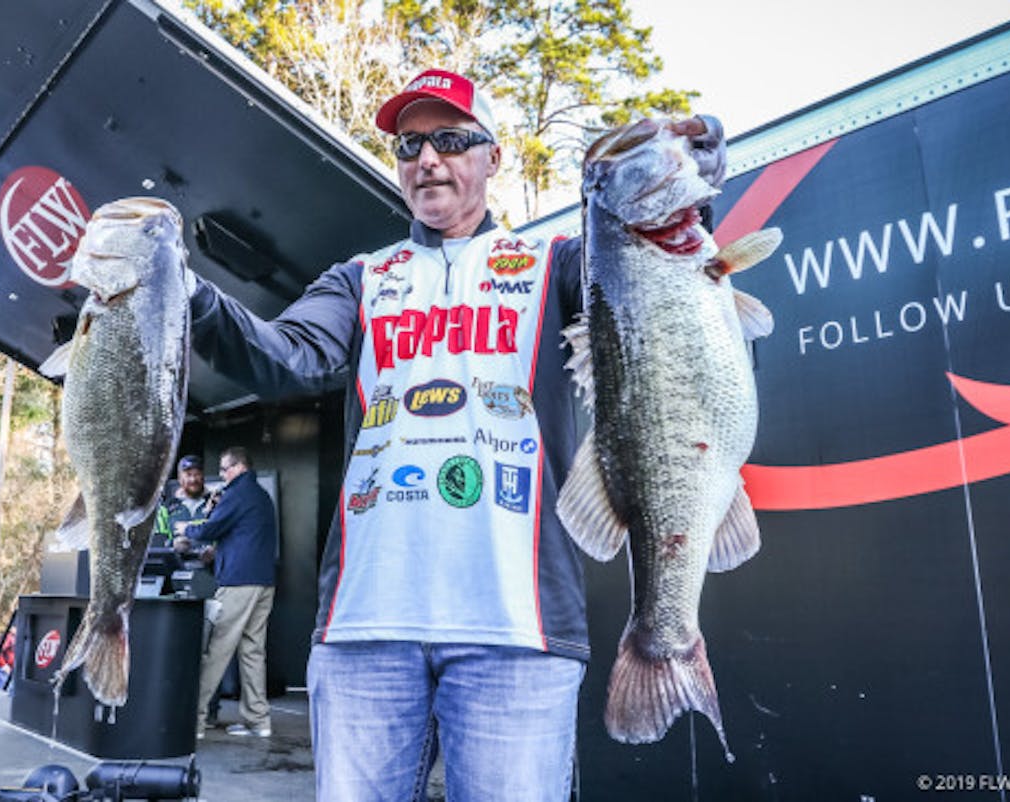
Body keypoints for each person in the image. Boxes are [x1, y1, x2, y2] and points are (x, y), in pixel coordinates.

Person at [170, 69, 726, 799]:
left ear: (494, 158)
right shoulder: (362, 277)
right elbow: (285, 357)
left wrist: (696, 175)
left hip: (516, 634)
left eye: (452, 139)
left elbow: (651, 273)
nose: (428, 158)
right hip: (365, 628)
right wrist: (185, 294)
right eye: (410, 145)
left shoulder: (552, 263)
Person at [172, 446, 278, 739]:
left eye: (224, 469)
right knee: (252, 651)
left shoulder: (237, 494)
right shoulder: (259, 495)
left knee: (216, 650)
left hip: (239, 582)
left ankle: (193, 721)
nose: (220, 475)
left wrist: (185, 529)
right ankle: (259, 721)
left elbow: (210, 529)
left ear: (238, 467)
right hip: (263, 582)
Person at [154, 454, 216, 547]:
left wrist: (215, 552)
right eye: (188, 475)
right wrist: (173, 544)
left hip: (212, 560)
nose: (193, 479)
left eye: (197, 474)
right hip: (176, 560)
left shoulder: (216, 504)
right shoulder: (165, 508)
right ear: (179, 478)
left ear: (203, 476)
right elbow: (157, 542)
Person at [0, 624, 16, 689]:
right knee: (3, 693)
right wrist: (4, 665)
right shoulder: (8, 637)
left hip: (9, 670)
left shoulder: (14, 637)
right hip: (4, 671)